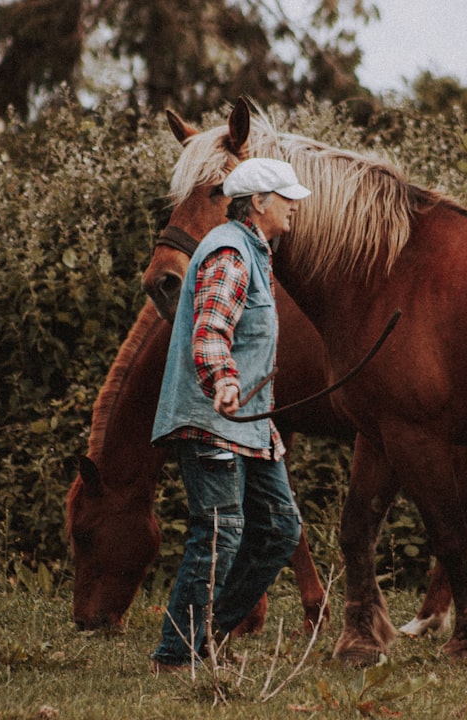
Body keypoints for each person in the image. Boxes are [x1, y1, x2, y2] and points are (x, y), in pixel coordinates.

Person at [150, 157, 311, 672]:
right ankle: (176, 656)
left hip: (249, 424)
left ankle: (205, 634)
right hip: (211, 415)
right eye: (286, 198)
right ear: (259, 203)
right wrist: (222, 379)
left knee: (280, 529)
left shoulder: (257, 253)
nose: (294, 206)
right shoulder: (228, 252)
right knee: (220, 529)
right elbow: (210, 328)